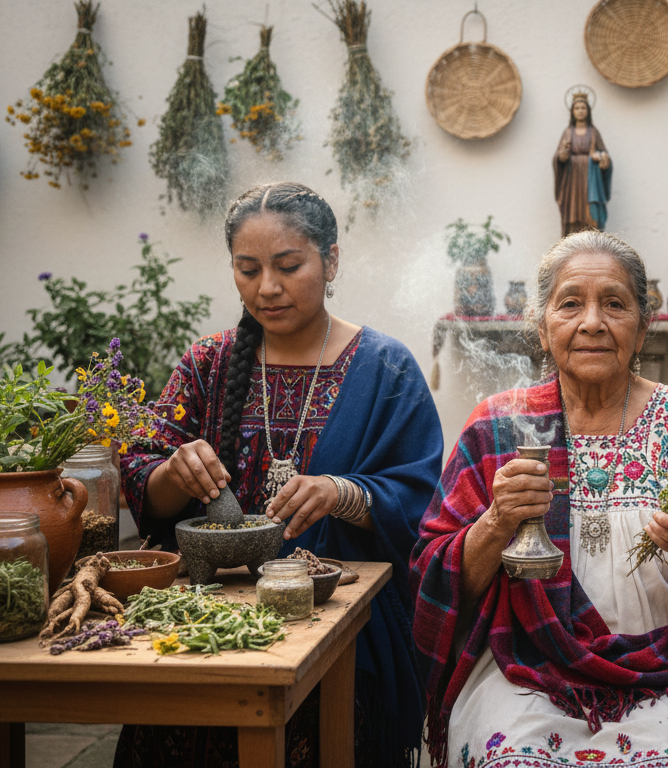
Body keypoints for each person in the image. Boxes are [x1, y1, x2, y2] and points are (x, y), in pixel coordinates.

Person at [411, 231, 668, 768]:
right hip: (524, 674)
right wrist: (495, 523)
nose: (592, 323)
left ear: (643, 323)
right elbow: (434, 578)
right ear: (541, 326)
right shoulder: (498, 425)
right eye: (570, 304)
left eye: (614, 304)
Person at [115, 182, 443, 768]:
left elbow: (420, 502)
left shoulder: (385, 367)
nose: (266, 288)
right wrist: (175, 471)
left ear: (331, 259)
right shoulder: (207, 363)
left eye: (288, 266)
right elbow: (140, 473)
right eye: (248, 269)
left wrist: (342, 493)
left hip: (338, 623)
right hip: (203, 620)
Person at [553, 91, 612, 237]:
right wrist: (562, 157)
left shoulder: (593, 132)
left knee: (590, 217)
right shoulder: (568, 132)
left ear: (588, 111)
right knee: (572, 214)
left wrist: (602, 158)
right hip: (571, 181)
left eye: (583, 108)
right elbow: (559, 158)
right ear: (572, 111)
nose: (580, 111)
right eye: (577, 108)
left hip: (590, 180)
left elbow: (605, 157)